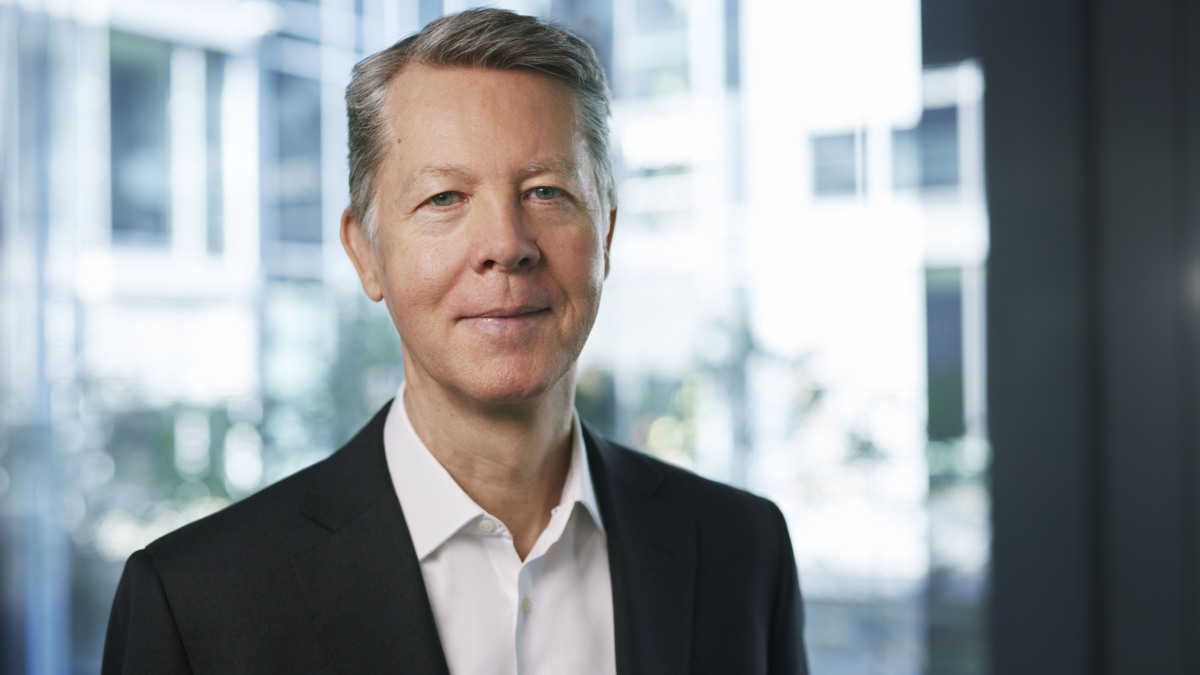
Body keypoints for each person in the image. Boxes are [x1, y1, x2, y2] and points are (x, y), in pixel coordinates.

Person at [101, 8, 808, 674]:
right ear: (366, 252)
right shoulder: (195, 603)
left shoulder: (744, 550)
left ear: (608, 234)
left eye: (546, 191)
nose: (506, 244)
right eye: (444, 198)